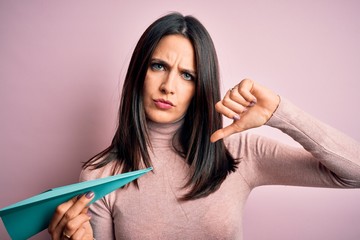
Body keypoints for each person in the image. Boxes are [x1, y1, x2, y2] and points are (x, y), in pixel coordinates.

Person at [48, 12, 360, 240]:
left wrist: (282, 112)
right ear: (139, 73)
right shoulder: (100, 176)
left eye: (187, 75)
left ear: (201, 88)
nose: (169, 86)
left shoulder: (239, 153)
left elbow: (354, 174)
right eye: (159, 66)